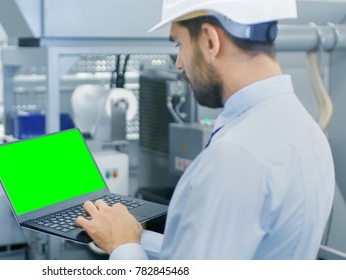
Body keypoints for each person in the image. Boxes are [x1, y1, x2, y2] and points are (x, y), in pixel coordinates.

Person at [76, 0, 335, 259]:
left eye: (179, 44)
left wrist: (123, 247)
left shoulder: (234, 157)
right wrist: (135, 237)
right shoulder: (307, 130)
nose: (178, 63)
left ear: (210, 41)